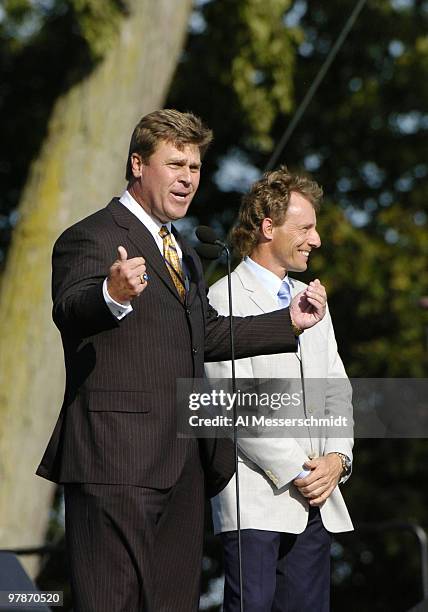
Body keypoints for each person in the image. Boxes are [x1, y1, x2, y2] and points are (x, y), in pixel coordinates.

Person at [36, 111, 328, 612]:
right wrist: (111, 292)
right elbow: (70, 309)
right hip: (115, 462)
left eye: (194, 167)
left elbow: (209, 334)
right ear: (137, 164)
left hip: (183, 467)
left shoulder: (186, 255)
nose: (187, 178)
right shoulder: (93, 235)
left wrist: (289, 322)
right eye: (175, 164)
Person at [205, 166, 354, 612]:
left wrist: (337, 459)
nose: (317, 239)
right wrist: (301, 469)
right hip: (255, 503)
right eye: (305, 228)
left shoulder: (313, 300)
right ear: (268, 227)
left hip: (318, 500)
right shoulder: (221, 299)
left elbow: (337, 390)